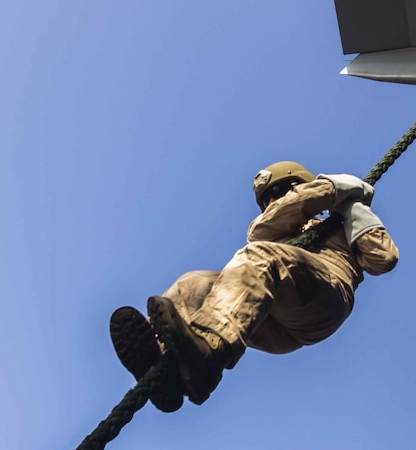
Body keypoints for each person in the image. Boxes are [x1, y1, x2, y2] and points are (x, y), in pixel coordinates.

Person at [145, 161, 399, 405]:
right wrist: (330, 189)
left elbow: (383, 259)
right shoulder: (272, 229)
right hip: (274, 322)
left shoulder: (339, 227)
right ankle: (164, 362)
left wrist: (353, 209)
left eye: (279, 191)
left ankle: (210, 350)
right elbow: (262, 229)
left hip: (324, 299)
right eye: (267, 199)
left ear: (300, 186)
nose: (273, 202)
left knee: (258, 257)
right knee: (192, 285)